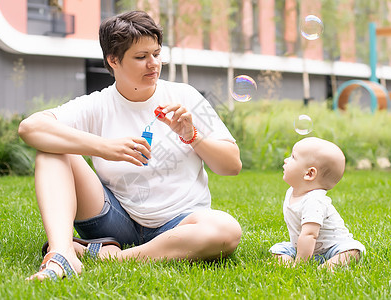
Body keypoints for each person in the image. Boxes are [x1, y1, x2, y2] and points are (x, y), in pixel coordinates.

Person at [18, 10, 242, 281]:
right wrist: (104, 147)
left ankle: (112, 255)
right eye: (141, 57)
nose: (153, 64)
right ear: (113, 60)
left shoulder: (184, 96)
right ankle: (62, 252)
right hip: (115, 219)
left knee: (226, 229)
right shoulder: (98, 104)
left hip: (180, 222)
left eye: (156, 54)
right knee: (51, 155)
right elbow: (30, 128)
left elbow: (232, 166)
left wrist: (193, 136)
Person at [269, 137, 365, 269]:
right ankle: (289, 264)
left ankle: (326, 268)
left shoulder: (314, 200)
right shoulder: (292, 191)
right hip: (304, 247)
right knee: (279, 250)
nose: (286, 160)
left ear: (309, 173)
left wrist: (301, 264)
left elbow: (309, 234)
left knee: (352, 251)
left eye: (292, 157)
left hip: (333, 248)